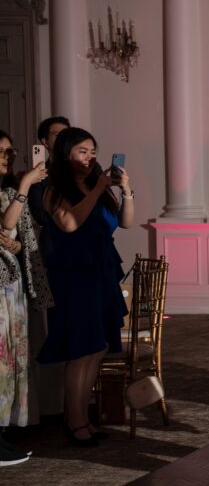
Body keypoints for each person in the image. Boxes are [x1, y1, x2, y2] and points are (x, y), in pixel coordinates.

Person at [38, 127, 133, 446]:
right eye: (82, 151)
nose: (90, 157)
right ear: (66, 154)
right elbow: (69, 223)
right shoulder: (53, 189)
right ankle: (75, 420)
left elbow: (125, 222)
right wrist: (98, 188)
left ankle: (79, 416)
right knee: (81, 347)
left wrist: (126, 190)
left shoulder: (97, 185)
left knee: (99, 345)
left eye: (93, 151)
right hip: (73, 273)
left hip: (101, 269)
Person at [0, 131, 49, 465]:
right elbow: (6, 224)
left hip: (11, 287)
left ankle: (3, 434)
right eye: (0, 151)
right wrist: (25, 186)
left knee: (12, 362)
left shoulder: (6, 190)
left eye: (8, 150)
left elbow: (14, 234)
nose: (7, 155)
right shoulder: (14, 190)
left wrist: (15, 247)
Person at [27, 116, 69, 227]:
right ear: (45, 142)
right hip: (55, 239)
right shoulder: (38, 176)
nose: (64, 138)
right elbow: (40, 215)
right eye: (58, 135)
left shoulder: (85, 168)